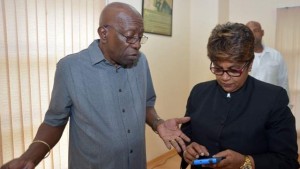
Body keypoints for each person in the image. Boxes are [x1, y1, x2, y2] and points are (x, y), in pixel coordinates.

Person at [1, 2, 190, 169]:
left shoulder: (141, 62)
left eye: (140, 37)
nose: (137, 45)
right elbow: (54, 122)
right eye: (130, 36)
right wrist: (30, 157)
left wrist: (158, 123)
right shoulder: (70, 68)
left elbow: (147, 104)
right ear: (104, 33)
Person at [180, 22, 299, 169]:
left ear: (249, 65)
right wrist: (187, 150)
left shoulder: (274, 98)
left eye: (234, 70)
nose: (224, 77)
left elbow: (287, 161)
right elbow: (186, 138)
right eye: (218, 68)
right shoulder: (199, 92)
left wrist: (245, 162)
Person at [246, 21, 290, 101]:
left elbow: (283, 82)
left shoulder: (276, 55)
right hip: (247, 103)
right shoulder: (241, 57)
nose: (252, 34)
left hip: (272, 103)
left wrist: (286, 104)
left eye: (255, 30)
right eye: (249, 31)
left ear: (262, 32)